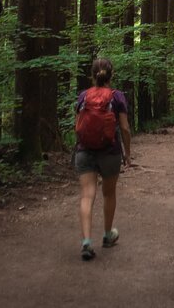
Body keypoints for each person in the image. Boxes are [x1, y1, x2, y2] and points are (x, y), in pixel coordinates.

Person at [74, 58, 132, 261]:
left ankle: (86, 242)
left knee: (86, 196)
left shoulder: (83, 96)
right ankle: (107, 236)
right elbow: (124, 128)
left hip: (84, 151)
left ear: (92, 75)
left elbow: (78, 126)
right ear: (111, 75)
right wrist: (127, 153)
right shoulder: (117, 97)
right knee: (109, 194)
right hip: (110, 152)